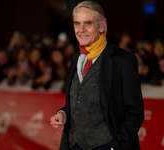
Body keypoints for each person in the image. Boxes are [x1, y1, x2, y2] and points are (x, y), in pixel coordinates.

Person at [50, 1, 144, 150]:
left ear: (101, 25)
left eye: (88, 23)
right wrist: (63, 114)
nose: (81, 30)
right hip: (73, 145)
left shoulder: (123, 61)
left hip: (107, 145)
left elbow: (135, 112)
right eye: (77, 23)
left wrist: (115, 147)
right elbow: (78, 101)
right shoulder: (76, 58)